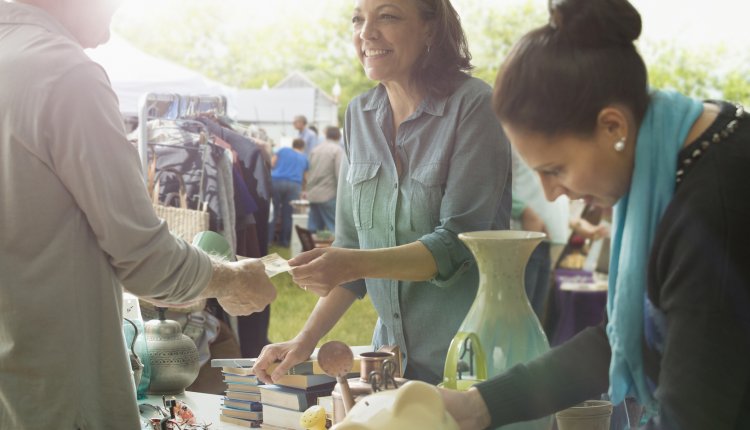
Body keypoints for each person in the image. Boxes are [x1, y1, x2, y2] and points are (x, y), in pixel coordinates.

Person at [440, 0, 750, 429]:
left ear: (613, 127)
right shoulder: (673, 150)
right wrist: (477, 405)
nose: (553, 192)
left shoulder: (714, 212)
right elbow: (620, 339)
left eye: (556, 169)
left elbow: (694, 415)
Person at [0, 1, 277, 428]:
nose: (111, 29)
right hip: (56, 394)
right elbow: (145, 260)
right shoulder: (64, 73)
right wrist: (233, 280)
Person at [253, 0, 512, 385]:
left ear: (430, 28)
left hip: (468, 362)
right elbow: (351, 244)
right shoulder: (358, 115)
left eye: (387, 16)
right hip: (391, 366)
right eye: (358, 18)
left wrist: (351, 262)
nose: (366, 32)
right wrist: (304, 340)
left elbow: (457, 245)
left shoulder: (474, 107)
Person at [269, 138, 309, 247]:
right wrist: (304, 190)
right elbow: (305, 177)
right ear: (303, 147)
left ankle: (269, 240)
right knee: (288, 214)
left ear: (293, 145)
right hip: (294, 185)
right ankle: (284, 241)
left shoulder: (283, 150)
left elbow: (272, 163)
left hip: (276, 182)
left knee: (273, 212)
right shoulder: (305, 158)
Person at [306, 126, 344, 233]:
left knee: (313, 230)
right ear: (339, 136)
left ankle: (309, 248)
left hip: (313, 194)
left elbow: (309, 170)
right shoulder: (337, 150)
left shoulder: (315, 150)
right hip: (329, 194)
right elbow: (339, 174)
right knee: (335, 229)